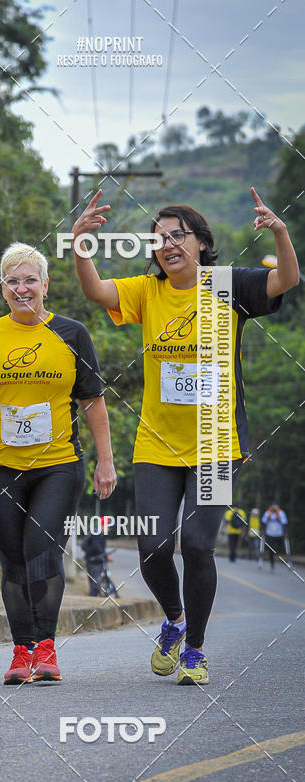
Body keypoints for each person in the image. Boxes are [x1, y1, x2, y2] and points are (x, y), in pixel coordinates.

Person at [72, 187, 299, 685]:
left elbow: (286, 278)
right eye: (159, 239)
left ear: (201, 242)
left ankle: (195, 648)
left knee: (197, 545)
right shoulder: (146, 292)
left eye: (179, 235)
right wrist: (80, 244)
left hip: (216, 442)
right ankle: (174, 619)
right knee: (153, 544)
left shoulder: (226, 286)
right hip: (156, 445)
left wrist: (280, 232)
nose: (168, 244)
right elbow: (96, 292)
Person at [0, 242, 116, 684]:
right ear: (3, 289)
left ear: (45, 285)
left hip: (57, 464)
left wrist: (105, 462)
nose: (22, 288)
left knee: (41, 551)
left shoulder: (72, 333)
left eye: (30, 280)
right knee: (13, 561)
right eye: (12, 281)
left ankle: (45, 646)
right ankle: (21, 652)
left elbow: (93, 402)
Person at [81, 516, 108, 597]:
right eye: (107, 526)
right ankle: (92, 602)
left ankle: (92, 599)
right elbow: (98, 549)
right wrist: (103, 556)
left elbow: (85, 545)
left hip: (90, 561)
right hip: (95, 562)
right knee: (95, 585)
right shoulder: (98, 534)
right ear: (102, 525)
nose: (108, 529)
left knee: (93, 583)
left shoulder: (95, 532)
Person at [261, 502, 288, 570]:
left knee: (277, 547)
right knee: (271, 549)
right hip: (270, 534)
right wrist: (268, 518)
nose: (274, 508)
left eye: (275, 506)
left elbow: (285, 522)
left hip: (279, 534)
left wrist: (278, 517)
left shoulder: (281, 513)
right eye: (273, 506)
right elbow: (263, 522)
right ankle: (272, 563)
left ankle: (281, 559)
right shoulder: (267, 513)